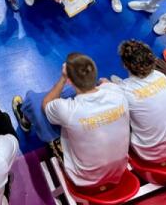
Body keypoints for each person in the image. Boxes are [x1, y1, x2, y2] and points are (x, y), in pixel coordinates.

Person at [12, 53, 129, 188]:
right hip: (119, 172)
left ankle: (25, 119)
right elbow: (106, 84)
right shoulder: (117, 92)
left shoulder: (68, 109)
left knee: (33, 101)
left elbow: (46, 104)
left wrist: (63, 78)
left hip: (84, 180)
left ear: (70, 81)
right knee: (70, 95)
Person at [115, 40, 166, 164]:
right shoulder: (160, 75)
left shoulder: (123, 90)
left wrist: (109, 87)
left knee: (116, 121)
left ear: (125, 65)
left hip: (151, 154)